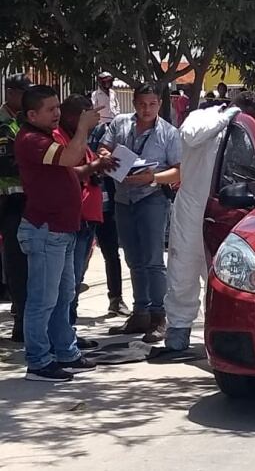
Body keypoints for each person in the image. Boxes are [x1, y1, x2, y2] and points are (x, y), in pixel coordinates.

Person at [15, 85, 103, 381]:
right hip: (45, 231)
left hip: (62, 229)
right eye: (51, 109)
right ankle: (38, 361)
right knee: (43, 299)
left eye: (57, 107)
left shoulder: (46, 136)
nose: (57, 114)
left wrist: (94, 166)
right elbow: (69, 158)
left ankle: (65, 351)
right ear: (32, 114)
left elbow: (69, 170)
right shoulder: (31, 139)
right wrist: (82, 128)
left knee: (64, 295)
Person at [164, 91, 255, 351]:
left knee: (224, 276)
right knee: (182, 269)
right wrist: (228, 117)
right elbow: (190, 136)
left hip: (227, 209)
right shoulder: (204, 117)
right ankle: (178, 329)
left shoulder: (245, 134)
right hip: (192, 206)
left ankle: (220, 336)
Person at [100, 84, 181, 343]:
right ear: (134, 103)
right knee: (133, 259)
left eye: (152, 104)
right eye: (142, 104)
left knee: (153, 260)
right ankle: (140, 312)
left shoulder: (169, 133)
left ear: (159, 104)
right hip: (123, 198)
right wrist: (104, 155)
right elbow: (104, 147)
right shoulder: (120, 124)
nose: (147, 109)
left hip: (152, 199)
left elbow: (180, 170)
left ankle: (159, 315)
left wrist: (152, 177)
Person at [55, 95, 113, 350]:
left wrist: (98, 163)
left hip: (87, 218)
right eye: (87, 114)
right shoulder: (61, 137)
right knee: (67, 284)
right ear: (73, 116)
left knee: (75, 282)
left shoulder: (82, 139)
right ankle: (62, 336)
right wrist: (95, 166)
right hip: (73, 219)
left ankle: (69, 332)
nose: (93, 118)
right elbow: (68, 173)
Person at [0, 74, 31, 342]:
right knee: (17, 263)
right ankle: (21, 319)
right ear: (11, 93)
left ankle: (26, 316)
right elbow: (8, 163)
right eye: (24, 92)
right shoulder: (3, 123)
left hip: (31, 201)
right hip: (9, 204)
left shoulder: (26, 121)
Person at [88, 122, 130, 317]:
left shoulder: (103, 135)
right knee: (78, 259)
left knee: (112, 254)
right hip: (84, 207)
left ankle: (116, 299)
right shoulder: (71, 138)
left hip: (107, 206)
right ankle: (69, 306)